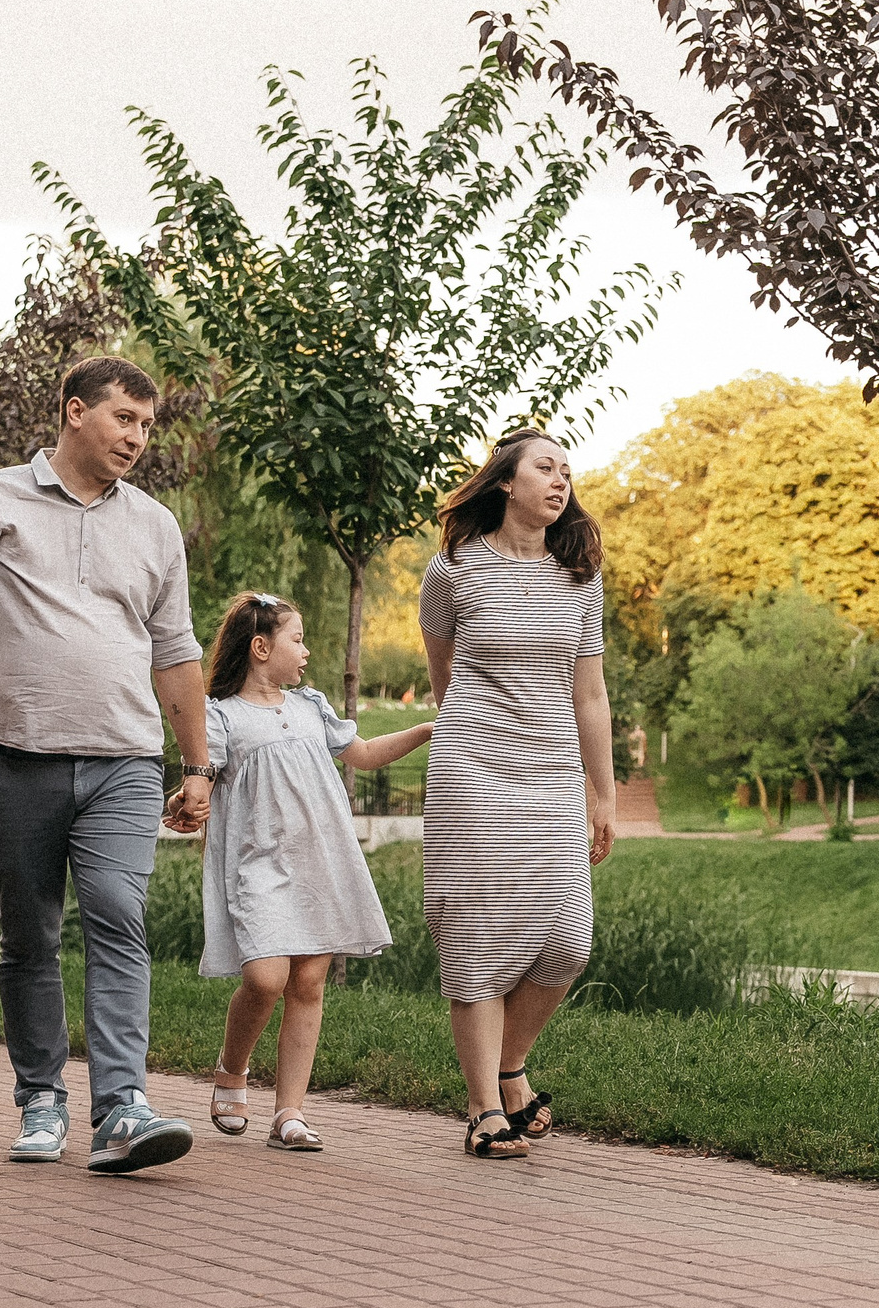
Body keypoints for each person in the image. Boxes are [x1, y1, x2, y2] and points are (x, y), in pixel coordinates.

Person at [0, 355, 212, 1175]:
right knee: (30, 933)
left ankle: (122, 1105)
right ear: (75, 410)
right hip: (11, 755)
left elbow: (176, 649)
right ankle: (41, 1095)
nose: (138, 437)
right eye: (125, 418)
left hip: (123, 754)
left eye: (148, 425)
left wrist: (199, 765)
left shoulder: (154, 524)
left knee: (119, 910)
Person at [419, 431, 617, 1159]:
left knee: (568, 939)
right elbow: (444, 677)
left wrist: (604, 790)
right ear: (505, 481)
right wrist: (473, 731)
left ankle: (511, 1065)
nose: (560, 480)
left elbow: (589, 692)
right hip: (474, 763)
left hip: (553, 772)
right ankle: (481, 1107)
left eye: (567, 470)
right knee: (475, 928)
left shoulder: (582, 577)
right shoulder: (454, 568)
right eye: (545, 467)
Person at [198, 590, 430, 1151]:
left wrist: (426, 729)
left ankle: (290, 1112)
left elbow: (366, 753)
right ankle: (233, 1067)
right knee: (265, 977)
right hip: (259, 865)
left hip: (319, 862)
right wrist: (191, 800)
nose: (306, 652)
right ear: (260, 647)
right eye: (296, 640)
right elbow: (202, 773)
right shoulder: (222, 716)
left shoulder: (310, 708)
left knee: (308, 982)